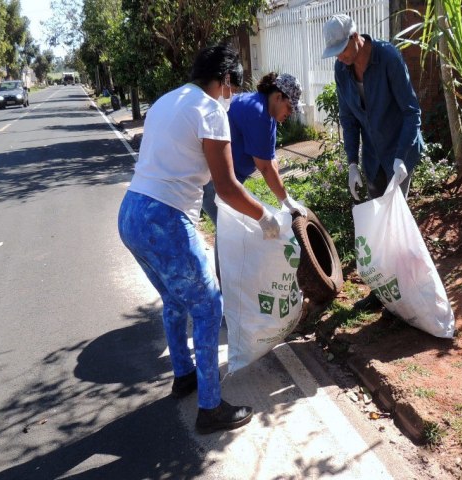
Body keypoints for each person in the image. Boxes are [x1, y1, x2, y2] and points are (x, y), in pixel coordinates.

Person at [118, 45, 280, 434]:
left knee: (174, 300)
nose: (234, 95)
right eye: (234, 86)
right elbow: (226, 187)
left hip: (130, 214)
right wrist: (265, 215)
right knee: (209, 307)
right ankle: (210, 408)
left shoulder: (164, 101)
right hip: (165, 220)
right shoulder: (209, 111)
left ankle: (184, 374)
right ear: (224, 80)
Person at [322, 13, 424, 311]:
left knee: (394, 223)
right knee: (377, 229)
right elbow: (348, 119)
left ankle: (405, 293)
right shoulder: (342, 70)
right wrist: (352, 163)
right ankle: (382, 292)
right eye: (335, 53)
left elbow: (411, 111)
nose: (340, 58)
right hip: (373, 158)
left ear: (356, 38)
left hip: (399, 153)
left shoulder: (387, 57)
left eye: (342, 50)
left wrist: (403, 158)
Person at [201, 72, 307, 227]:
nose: (290, 114)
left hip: (227, 182)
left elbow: (271, 160)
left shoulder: (268, 113)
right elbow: (264, 167)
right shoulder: (257, 113)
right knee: (232, 232)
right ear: (278, 97)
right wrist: (286, 200)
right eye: (290, 107)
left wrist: (283, 198)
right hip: (215, 182)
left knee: (232, 234)